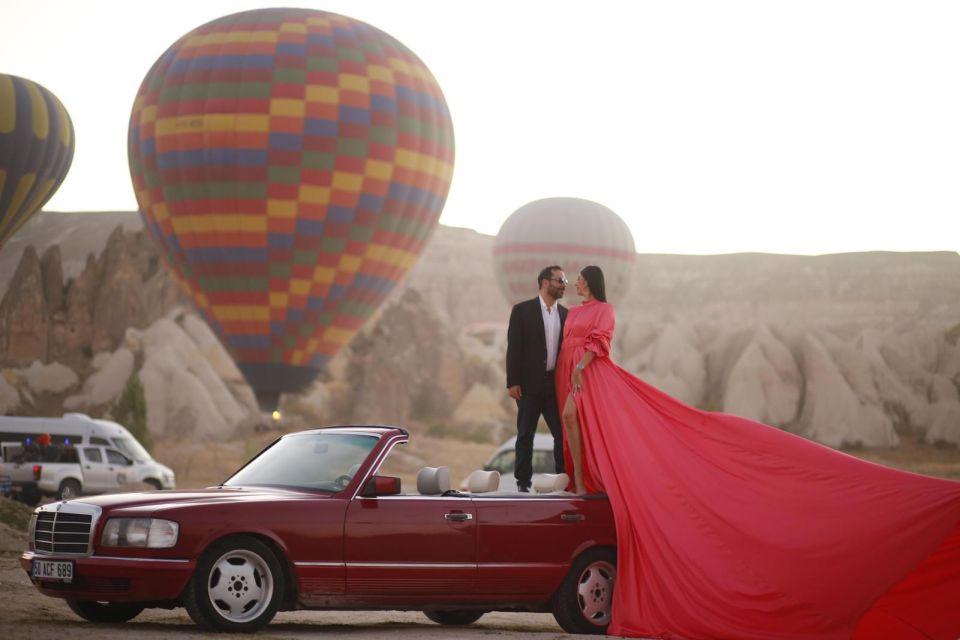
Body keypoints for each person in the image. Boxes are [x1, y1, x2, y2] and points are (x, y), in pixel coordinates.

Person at [556, 265, 960, 639]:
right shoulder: (574, 311)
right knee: (577, 423)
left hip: (592, 374)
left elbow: (599, 342)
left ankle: (582, 478)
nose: (576, 283)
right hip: (569, 371)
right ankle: (582, 475)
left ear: (591, 280)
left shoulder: (604, 311)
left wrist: (580, 367)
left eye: (580, 279)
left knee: (586, 420)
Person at [506, 265, 569, 492]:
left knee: (562, 434)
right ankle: (523, 483)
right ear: (545, 282)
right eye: (560, 280)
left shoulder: (565, 315)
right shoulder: (522, 311)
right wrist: (513, 381)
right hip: (528, 385)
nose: (564, 285)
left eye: (565, 281)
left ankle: (563, 479)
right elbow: (514, 348)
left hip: (554, 385)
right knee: (525, 434)